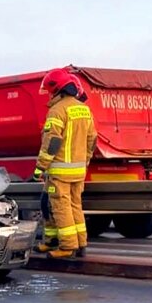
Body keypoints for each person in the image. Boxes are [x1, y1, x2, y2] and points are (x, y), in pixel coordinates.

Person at [31, 69, 97, 259]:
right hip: (79, 170)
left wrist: (40, 168)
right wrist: (85, 160)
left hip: (60, 171)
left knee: (61, 208)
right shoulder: (84, 109)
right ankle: (81, 243)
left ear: (56, 90)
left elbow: (52, 143)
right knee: (76, 206)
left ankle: (67, 247)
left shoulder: (57, 111)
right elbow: (92, 139)